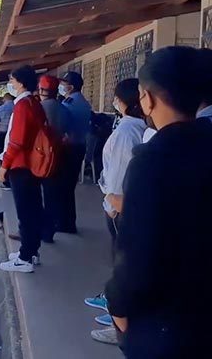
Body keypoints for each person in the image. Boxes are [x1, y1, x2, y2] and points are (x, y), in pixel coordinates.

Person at [104, 47, 212, 357]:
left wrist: (118, 303)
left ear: (147, 99)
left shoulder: (153, 160)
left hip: (166, 320)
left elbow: (138, 250)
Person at [85, 78, 147, 346]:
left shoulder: (125, 132)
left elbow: (119, 174)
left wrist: (111, 205)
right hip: (125, 205)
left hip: (119, 207)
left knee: (123, 263)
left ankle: (121, 323)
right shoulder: (136, 127)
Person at [0, 66, 47, 273]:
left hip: (21, 166)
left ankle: (25, 258)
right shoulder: (34, 103)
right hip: (31, 165)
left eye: (12, 79)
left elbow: (16, 142)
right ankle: (30, 250)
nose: (11, 82)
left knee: (25, 212)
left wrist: (4, 166)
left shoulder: (23, 106)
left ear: (21, 82)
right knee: (32, 209)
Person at [37, 76, 70, 244]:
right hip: (59, 154)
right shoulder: (64, 108)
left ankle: (37, 230)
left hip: (41, 156)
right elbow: (66, 132)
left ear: (42, 91)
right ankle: (49, 231)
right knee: (52, 195)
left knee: (36, 195)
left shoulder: (38, 108)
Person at [58, 71, 92, 234]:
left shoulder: (70, 103)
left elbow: (61, 125)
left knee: (64, 186)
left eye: (63, 84)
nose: (61, 86)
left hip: (70, 148)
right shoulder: (83, 102)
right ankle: (67, 222)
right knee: (67, 186)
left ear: (70, 87)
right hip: (79, 146)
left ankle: (65, 223)